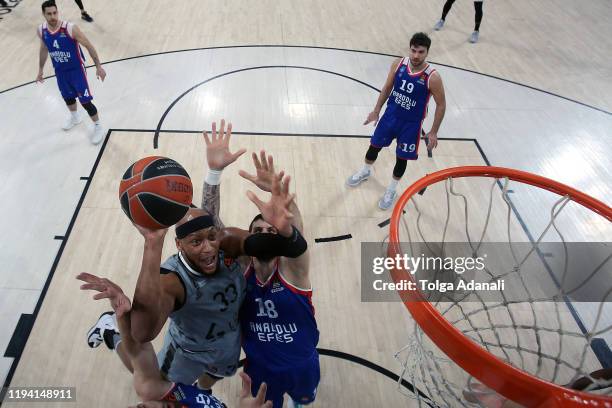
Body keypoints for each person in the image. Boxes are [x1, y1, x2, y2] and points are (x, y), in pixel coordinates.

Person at [87, 120, 308, 394]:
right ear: (179, 245)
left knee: (210, 380)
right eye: (195, 242)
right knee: (145, 375)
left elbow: (288, 249)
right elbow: (143, 334)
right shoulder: (172, 281)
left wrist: (284, 232)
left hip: (227, 343)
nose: (208, 248)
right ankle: (111, 332)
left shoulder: (226, 243)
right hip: (187, 351)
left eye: (211, 238)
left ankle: (202, 391)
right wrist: (152, 244)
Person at [202, 148, 320, 408]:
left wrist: (283, 206)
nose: (266, 233)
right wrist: (214, 173)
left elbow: (296, 238)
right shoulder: (240, 271)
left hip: (302, 365)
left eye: (272, 229)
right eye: (259, 230)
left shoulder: (292, 270)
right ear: (248, 239)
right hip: (259, 367)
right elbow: (210, 229)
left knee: (301, 402)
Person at [78, 272, 272, 408]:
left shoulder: (153, 393)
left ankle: (110, 330)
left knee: (142, 372)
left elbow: (139, 349)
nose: (138, 406)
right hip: (197, 355)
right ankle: (110, 332)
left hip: (187, 368)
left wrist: (122, 313)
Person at [346, 32, 446, 210]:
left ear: (427, 52)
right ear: (410, 48)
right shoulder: (398, 63)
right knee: (373, 146)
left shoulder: (433, 77)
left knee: (401, 159)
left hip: (411, 125)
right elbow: (387, 87)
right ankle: (365, 171)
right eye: (413, 50)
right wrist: (376, 110)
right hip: (390, 117)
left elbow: (441, 104)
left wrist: (433, 131)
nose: (416, 55)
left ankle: (391, 190)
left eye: (421, 52)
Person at [36, 0, 106, 144]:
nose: (53, 16)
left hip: (77, 71)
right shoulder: (41, 30)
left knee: (86, 102)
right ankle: (75, 116)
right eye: (49, 14)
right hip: (60, 72)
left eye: (55, 12)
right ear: (43, 14)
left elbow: (88, 45)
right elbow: (43, 49)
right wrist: (40, 70)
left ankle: (98, 126)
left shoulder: (69, 28)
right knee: (67, 98)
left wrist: (98, 66)